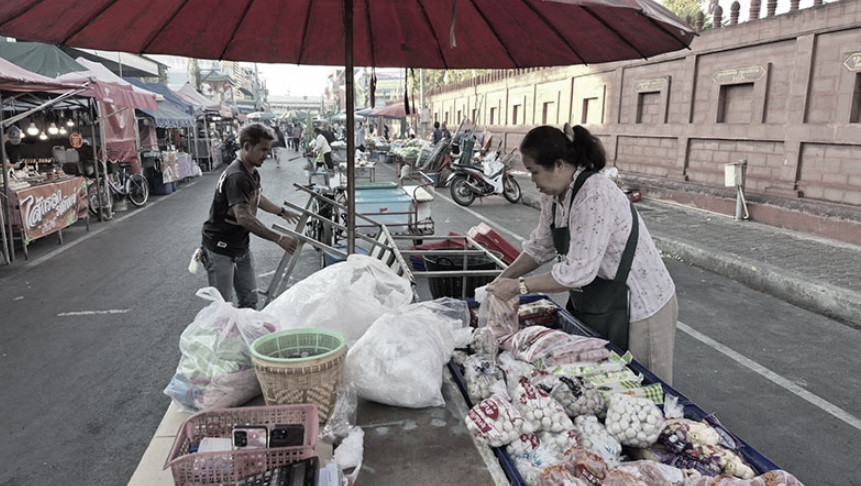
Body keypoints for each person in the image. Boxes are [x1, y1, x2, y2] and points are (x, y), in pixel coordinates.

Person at [486, 123, 678, 384]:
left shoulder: (593, 196)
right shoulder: (553, 196)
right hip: (602, 301)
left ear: (559, 165)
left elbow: (577, 273)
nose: (532, 181)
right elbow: (541, 247)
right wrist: (502, 279)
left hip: (642, 305)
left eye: (534, 172)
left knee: (643, 385)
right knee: (605, 380)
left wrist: (518, 286)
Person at [200, 123, 301, 309]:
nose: (266, 155)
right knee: (222, 308)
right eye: (263, 149)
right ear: (247, 146)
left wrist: (281, 211)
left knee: (249, 301)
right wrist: (278, 238)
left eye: (268, 150)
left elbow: (257, 198)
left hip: (240, 247)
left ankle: (245, 328)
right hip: (220, 249)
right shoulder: (237, 176)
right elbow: (244, 217)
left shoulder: (251, 173)